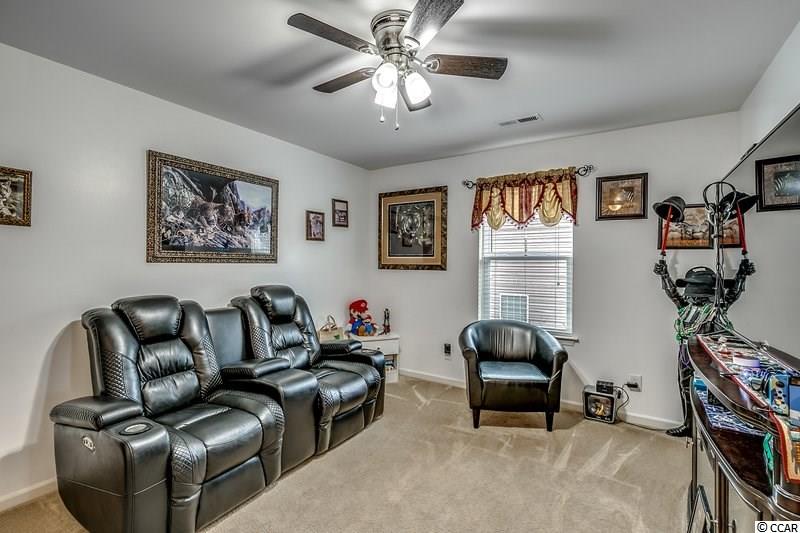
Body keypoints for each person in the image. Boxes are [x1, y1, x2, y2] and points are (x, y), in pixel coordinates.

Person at [653, 256, 756, 437]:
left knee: (709, 389)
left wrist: (742, 274)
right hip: (685, 351)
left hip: (706, 353)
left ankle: (711, 428)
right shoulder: (686, 308)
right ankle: (688, 425)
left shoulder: (715, 308)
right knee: (685, 387)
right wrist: (664, 275)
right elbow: (672, 294)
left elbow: (733, 294)